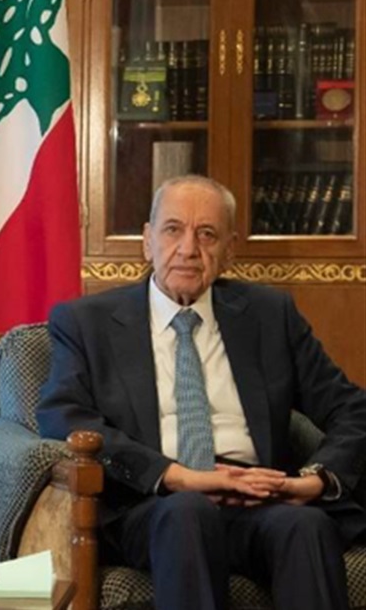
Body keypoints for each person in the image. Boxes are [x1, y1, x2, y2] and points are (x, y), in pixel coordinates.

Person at [36, 175, 366, 610]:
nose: (189, 249)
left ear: (229, 251)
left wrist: (315, 479)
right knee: (189, 512)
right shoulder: (86, 322)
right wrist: (178, 476)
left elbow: (352, 409)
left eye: (207, 234)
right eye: (173, 229)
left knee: (306, 526)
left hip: (256, 500)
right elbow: (63, 415)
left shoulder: (270, 315)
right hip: (156, 503)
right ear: (147, 240)